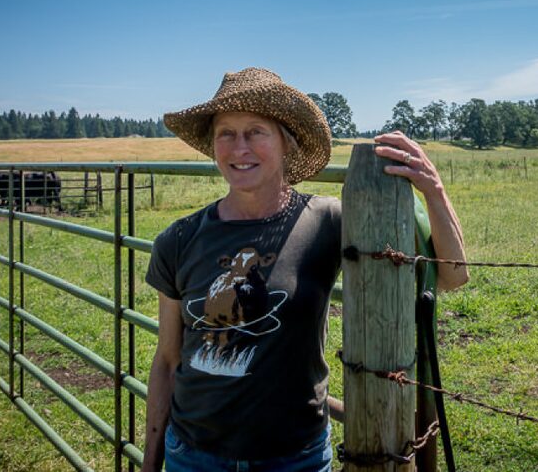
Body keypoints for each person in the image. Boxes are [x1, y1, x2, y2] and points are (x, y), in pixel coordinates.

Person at [142, 68, 468, 472]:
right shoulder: (179, 240)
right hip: (193, 455)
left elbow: (451, 276)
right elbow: (168, 361)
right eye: (226, 133)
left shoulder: (325, 222)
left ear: (286, 142)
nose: (239, 147)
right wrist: (151, 462)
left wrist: (433, 190)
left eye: (255, 131)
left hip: (295, 458)